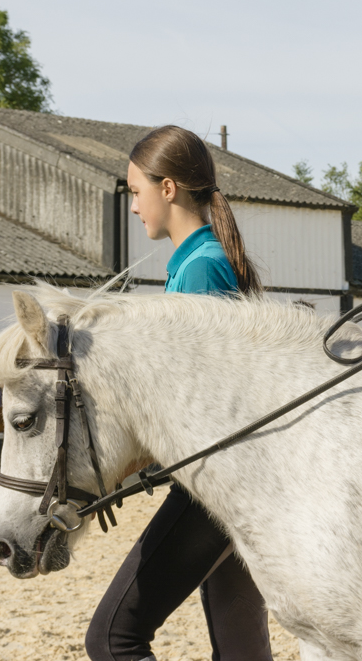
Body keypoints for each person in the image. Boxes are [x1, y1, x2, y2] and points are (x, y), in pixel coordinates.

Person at [85, 126, 271, 661]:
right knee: (242, 651)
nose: (134, 205)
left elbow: (199, 406)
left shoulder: (200, 269)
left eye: (136, 190)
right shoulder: (196, 262)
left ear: (167, 189)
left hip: (210, 488)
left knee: (114, 640)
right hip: (229, 482)